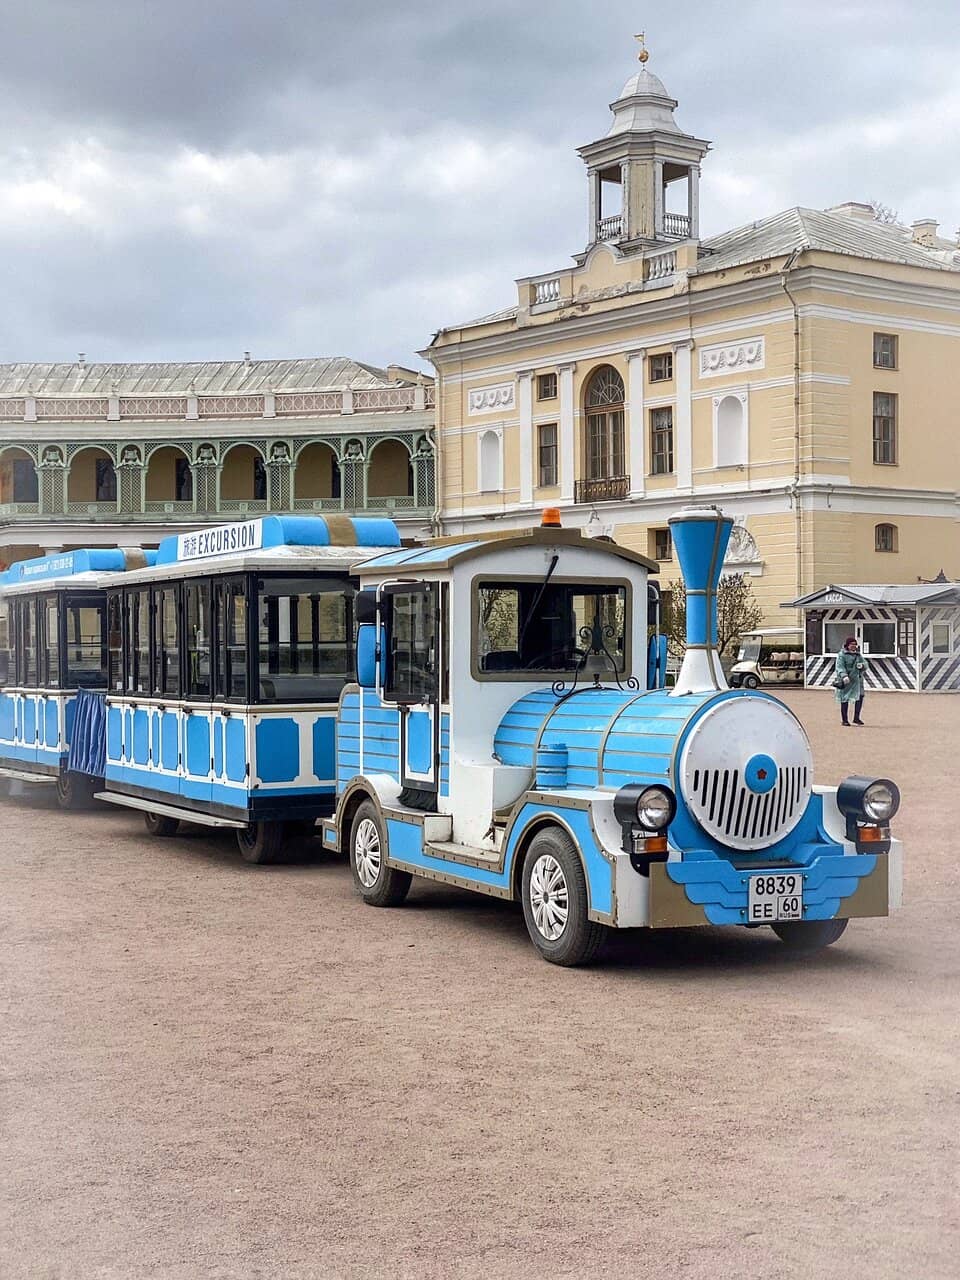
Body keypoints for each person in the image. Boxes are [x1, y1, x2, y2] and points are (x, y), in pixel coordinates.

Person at [834, 636, 868, 726]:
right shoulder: (842, 655)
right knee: (844, 698)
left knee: (860, 697)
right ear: (847, 645)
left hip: (857, 680)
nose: (854, 646)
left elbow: (865, 664)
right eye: (852, 644)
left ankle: (856, 718)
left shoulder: (858, 655)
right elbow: (839, 667)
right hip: (847, 680)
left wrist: (862, 666)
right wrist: (844, 676)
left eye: (855, 644)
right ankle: (844, 720)